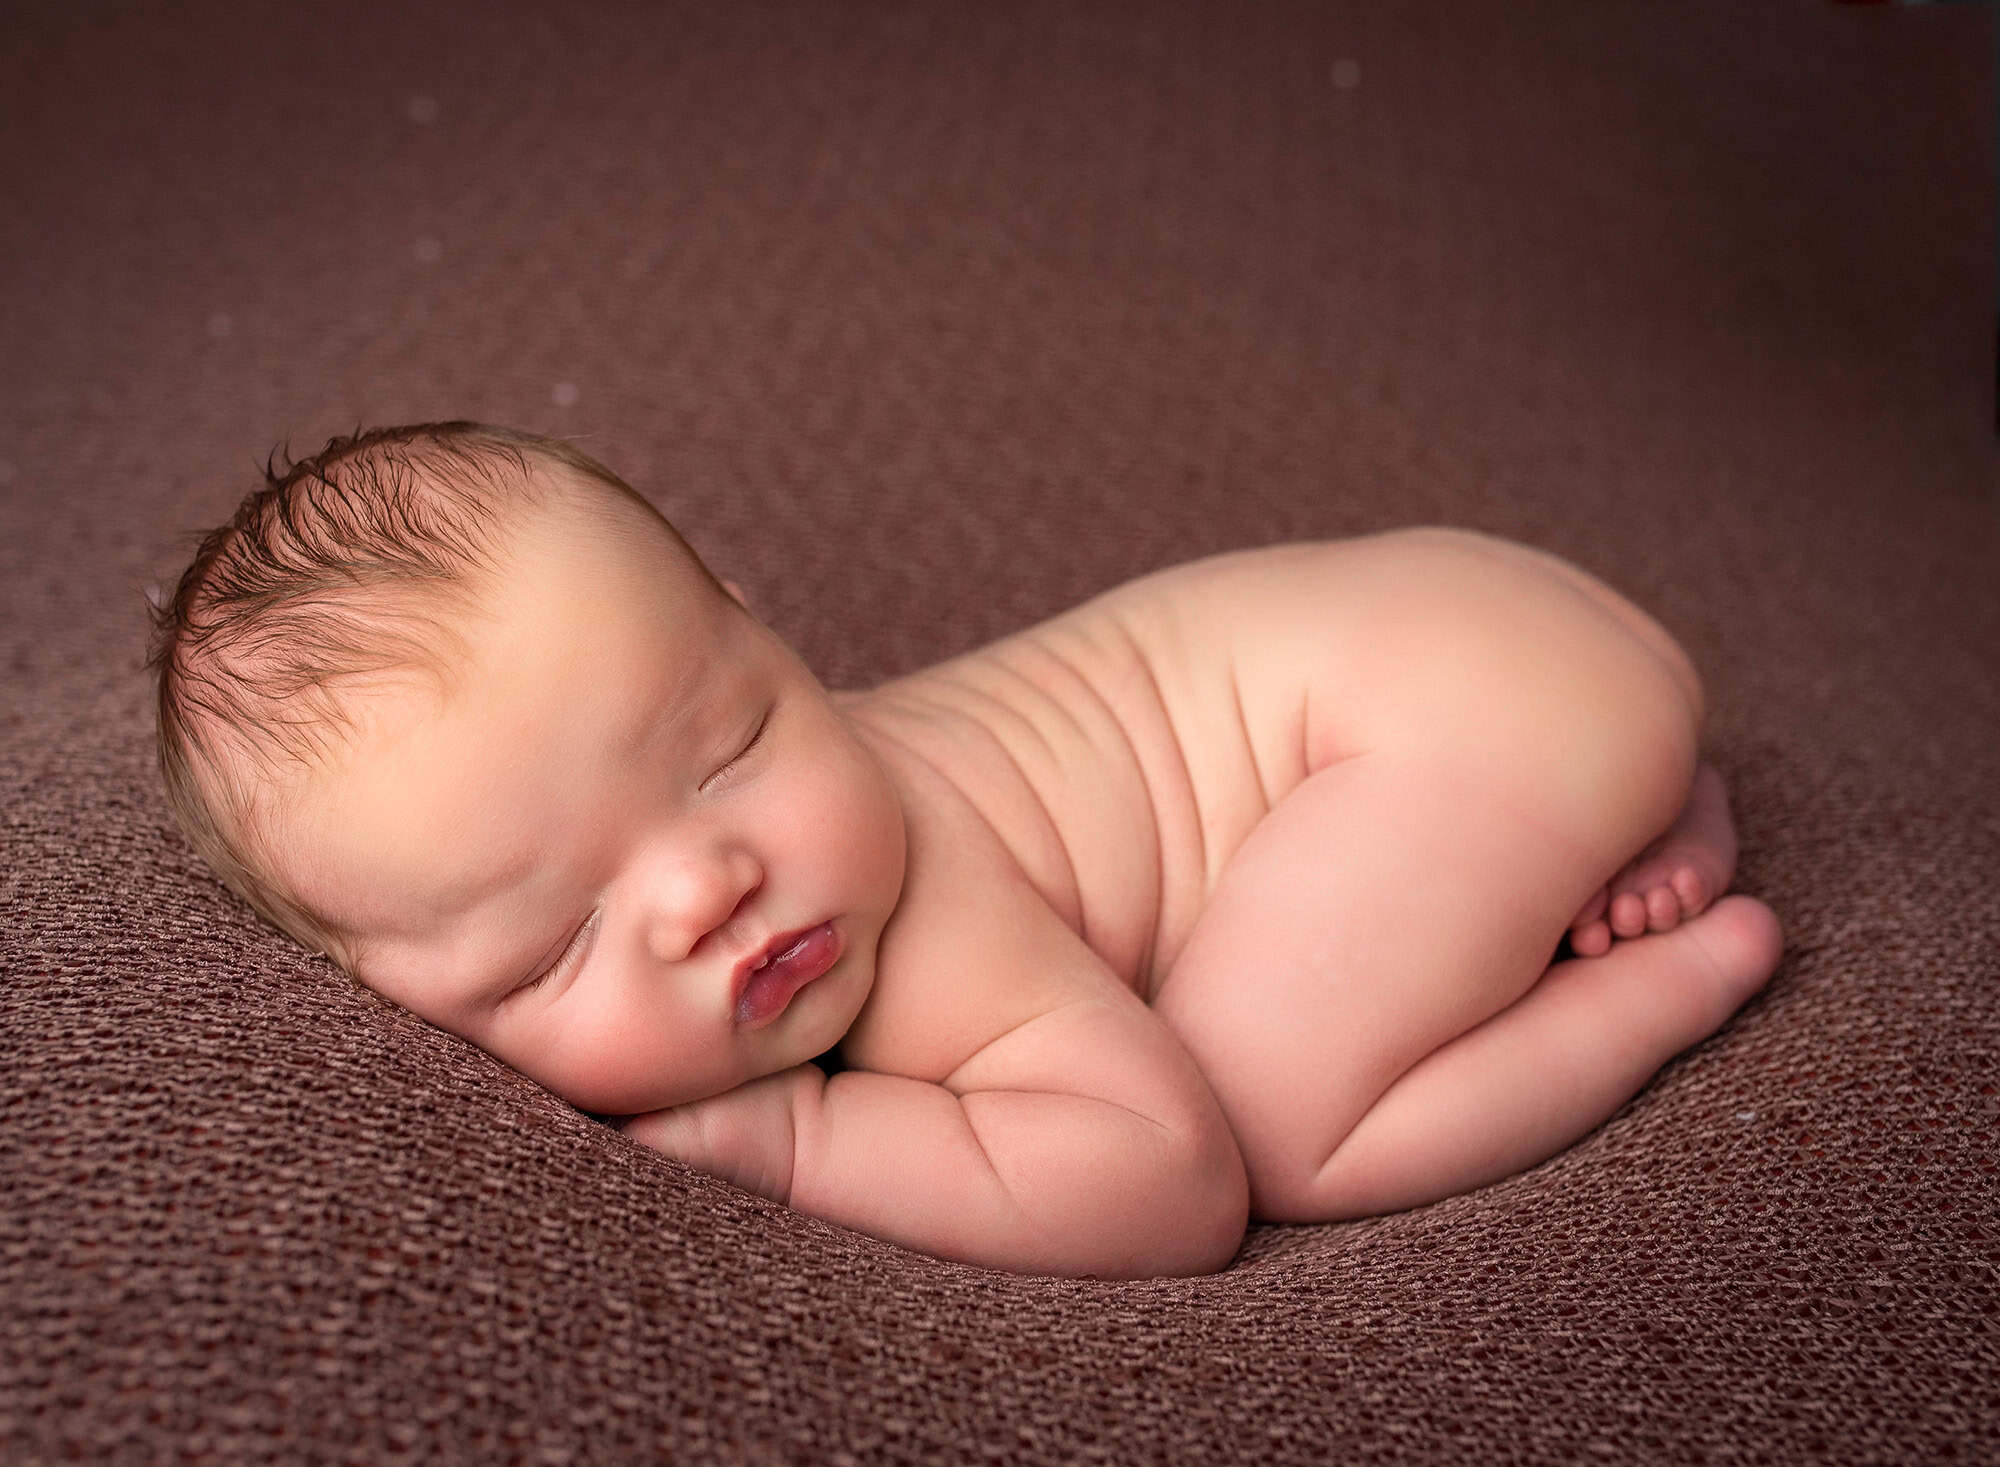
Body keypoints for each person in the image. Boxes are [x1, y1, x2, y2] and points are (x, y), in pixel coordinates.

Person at [146, 421, 1783, 1279]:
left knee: (1278, 1125)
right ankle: (1629, 803)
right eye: (556, 945)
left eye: (733, 751)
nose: (708, 886)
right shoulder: (766, 832)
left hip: (1456, 702)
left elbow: (1170, 1179)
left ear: (753, 618)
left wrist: (804, 1150)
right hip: (1501, 639)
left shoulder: (921, 908)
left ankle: (1674, 972)